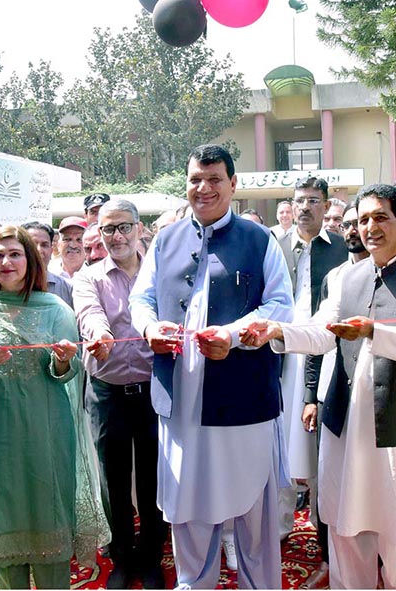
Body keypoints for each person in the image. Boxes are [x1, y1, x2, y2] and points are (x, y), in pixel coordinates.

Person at [241, 183, 396, 589]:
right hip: (346, 422)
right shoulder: (345, 277)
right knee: (344, 529)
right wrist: (278, 331)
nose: (370, 227)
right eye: (363, 219)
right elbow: (321, 333)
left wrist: (375, 332)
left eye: (380, 218)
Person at [130, 144, 294, 589]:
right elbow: (141, 298)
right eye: (195, 180)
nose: (203, 188)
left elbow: (280, 305)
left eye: (214, 179)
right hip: (180, 402)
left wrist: (236, 336)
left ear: (233, 184)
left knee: (253, 514)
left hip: (241, 399)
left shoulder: (260, 240)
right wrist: (149, 329)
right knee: (188, 505)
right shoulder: (165, 240)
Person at [0, 225, 108, 589]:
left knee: (51, 540)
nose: (6, 262)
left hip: (47, 437)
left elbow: (70, 374)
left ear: (30, 259)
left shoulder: (55, 308)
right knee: (4, 542)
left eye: (15, 254)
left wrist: (65, 360)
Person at [74, 199, 167, 590]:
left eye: (124, 227)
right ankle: (122, 558)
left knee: (153, 476)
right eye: (108, 229)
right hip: (106, 391)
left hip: (153, 389)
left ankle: (150, 557)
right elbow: (89, 314)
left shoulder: (160, 273)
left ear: (140, 228)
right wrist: (100, 335)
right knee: (112, 478)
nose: (117, 237)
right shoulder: (88, 276)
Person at [301, 203, 371, 590]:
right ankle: (334, 564)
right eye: (350, 224)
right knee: (329, 487)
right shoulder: (333, 278)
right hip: (332, 394)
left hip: (374, 399)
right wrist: (310, 395)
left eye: (364, 221)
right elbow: (318, 339)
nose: (356, 230)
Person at [277, 177, 346, 542]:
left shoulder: (340, 249)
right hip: (281, 355)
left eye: (314, 201)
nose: (305, 207)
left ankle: (324, 527)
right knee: (280, 441)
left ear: (325, 206)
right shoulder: (274, 246)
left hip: (325, 353)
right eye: (300, 200)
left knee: (319, 444)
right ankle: (281, 525)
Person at [23, 221, 73, 307]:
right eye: (32, 245)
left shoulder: (67, 288)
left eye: (44, 245)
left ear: (51, 250)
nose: (39, 250)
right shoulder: (8, 286)